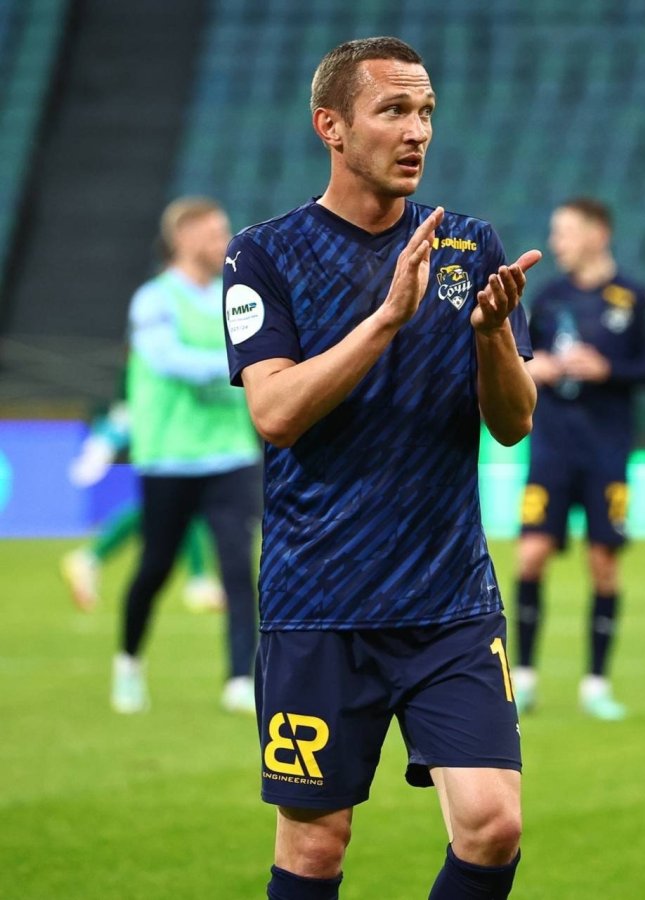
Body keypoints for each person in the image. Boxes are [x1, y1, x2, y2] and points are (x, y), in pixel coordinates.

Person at [223, 37, 541, 900]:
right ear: (330, 126)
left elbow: (513, 424)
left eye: (426, 111)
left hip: (448, 602)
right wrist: (386, 319)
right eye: (393, 110)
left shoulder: (468, 245)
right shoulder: (265, 255)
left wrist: (492, 339)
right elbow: (276, 413)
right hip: (318, 606)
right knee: (315, 846)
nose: (417, 131)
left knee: (494, 825)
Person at [511, 198, 645, 721]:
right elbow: (517, 360)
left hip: (606, 452)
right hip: (550, 450)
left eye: (565, 232)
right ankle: (524, 678)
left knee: (603, 563)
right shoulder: (548, 298)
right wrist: (534, 368)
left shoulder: (634, 299)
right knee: (530, 555)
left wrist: (607, 369)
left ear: (598, 234)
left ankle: (596, 684)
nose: (556, 242)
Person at [111, 196, 262, 715]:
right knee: (155, 566)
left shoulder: (234, 295)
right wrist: (242, 361)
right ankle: (129, 662)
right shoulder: (154, 299)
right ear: (183, 238)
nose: (224, 240)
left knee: (238, 566)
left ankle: (240, 678)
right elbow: (166, 359)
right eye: (214, 232)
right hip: (170, 454)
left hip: (230, 452)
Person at [61, 400, 225, 614]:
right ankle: (198, 580)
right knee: (180, 502)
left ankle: (90, 558)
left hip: (167, 430)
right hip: (164, 433)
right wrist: (106, 441)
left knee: (172, 505)